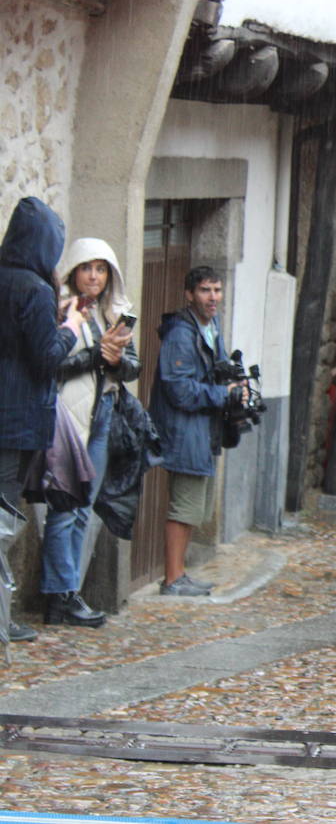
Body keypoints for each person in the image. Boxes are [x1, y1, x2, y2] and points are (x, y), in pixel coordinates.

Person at [43, 239, 140, 627]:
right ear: (74, 271)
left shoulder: (116, 311)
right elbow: (52, 365)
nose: (94, 277)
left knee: (84, 508)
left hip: (104, 414)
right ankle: (57, 595)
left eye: (101, 269)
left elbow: (132, 367)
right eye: (87, 268)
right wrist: (96, 355)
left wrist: (116, 361)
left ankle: (70, 591)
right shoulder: (61, 310)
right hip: (70, 416)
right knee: (65, 507)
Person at [0, 198, 85, 642]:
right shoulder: (34, 289)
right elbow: (46, 356)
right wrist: (70, 328)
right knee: (2, 520)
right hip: (15, 423)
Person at [150, 266, 240, 597]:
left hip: (204, 428)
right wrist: (222, 394)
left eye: (217, 290)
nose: (213, 297)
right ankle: (172, 579)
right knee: (184, 506)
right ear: (189, 295)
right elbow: (178, 389)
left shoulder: (211, 327)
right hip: (184, 430)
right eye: (205, 290)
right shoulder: (180, 333)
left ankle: (179, 574)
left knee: (195, 509)